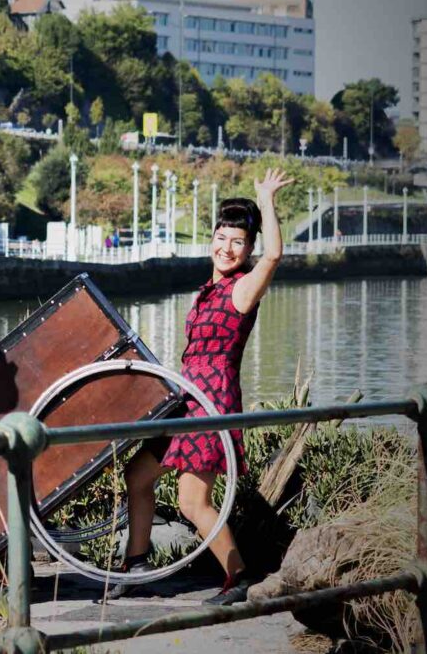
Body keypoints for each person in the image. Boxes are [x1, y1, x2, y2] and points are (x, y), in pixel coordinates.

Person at [110, 168, 295, 606]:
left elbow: (273, 258)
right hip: (183, 402)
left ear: (247, 249)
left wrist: (265, 200)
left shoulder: (242, 290)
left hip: (211, 403)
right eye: (221, 238)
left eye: (238, 242)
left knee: (193, 501)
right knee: (138, 476)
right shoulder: (204, 292)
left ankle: (238, 576)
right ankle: (136, 564)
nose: (227, 248)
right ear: (211, 239)